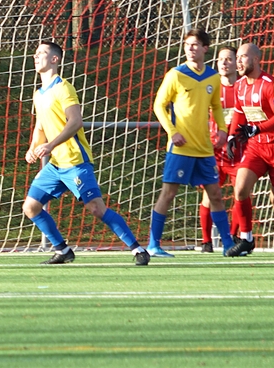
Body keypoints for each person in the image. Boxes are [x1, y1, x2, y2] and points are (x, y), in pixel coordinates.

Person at [23, 41, 149, 265]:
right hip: (56, 165)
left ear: (54, 59)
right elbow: (41, 126)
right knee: (31, 207)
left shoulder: (63, 88)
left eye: (41, 53)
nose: (36, 56)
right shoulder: (38, 94)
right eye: (35, 53)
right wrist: (33, 148)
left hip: (75, 161)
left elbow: (75, 122)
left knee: (96, 208)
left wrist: (50, 145)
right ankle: (63, 250)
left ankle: (138, 249)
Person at [149, 28, 236, 257]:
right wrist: (172, 132)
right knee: (168, 194)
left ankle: (228, 245)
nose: (190, 48)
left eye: (195, 44)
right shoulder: (176, 74)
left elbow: (216, 106)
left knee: (215, 195)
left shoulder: (212, 77)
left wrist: (223, 130)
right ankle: (153, 244)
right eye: (187, 44)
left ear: (205, 48)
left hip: (204, 149)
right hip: (181, 148)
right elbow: (159, 105)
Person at [224, 43, 274, 257]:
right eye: (237, 57)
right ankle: (246, 238)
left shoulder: (269, 85)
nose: (238, 62)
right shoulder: (239, 85)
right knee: (240, 188)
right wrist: (231, 136)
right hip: (256, 147)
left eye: (243, 57)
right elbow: (239, 112)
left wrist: (258, 128)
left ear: (256, 59)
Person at [198, 45, 238, 252]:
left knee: (241, 193)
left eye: (229, 59)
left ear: (237, 63)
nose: (224, 62)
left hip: (238, 151)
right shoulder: (211, 86)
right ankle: (206, 241)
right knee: (209, 195)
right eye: (221, 59)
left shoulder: (242, 88)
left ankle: (235, 237)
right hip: (213, 150)